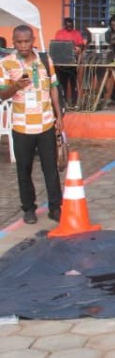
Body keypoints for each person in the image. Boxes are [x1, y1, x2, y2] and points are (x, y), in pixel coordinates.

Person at [0, 25, 64, 224]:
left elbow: (53, 87)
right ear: (13, 42)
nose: (23, 45)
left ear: (33, 40)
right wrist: (15, 86)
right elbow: (2, 95)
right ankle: (28, 209)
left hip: (46, 124)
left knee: (51, 169)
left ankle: (55, 208)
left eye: (27, 41)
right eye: (19, 42)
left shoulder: (45, 59)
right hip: (22, 127)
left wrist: (59, 116)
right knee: (24, 170)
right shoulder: (6, 63)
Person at [53, 17, 85, 109]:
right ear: (64, 25)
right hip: (62, 62)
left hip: (73, 62)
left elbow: (82, 45)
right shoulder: (59, 33)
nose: (70, 27)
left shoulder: (77, 33)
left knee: (73, 83)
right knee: (62, 83)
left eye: (71, 26)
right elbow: (57, 45)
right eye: (68, 26)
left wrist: (78, 47)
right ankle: (64, 103)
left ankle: (74, 103)